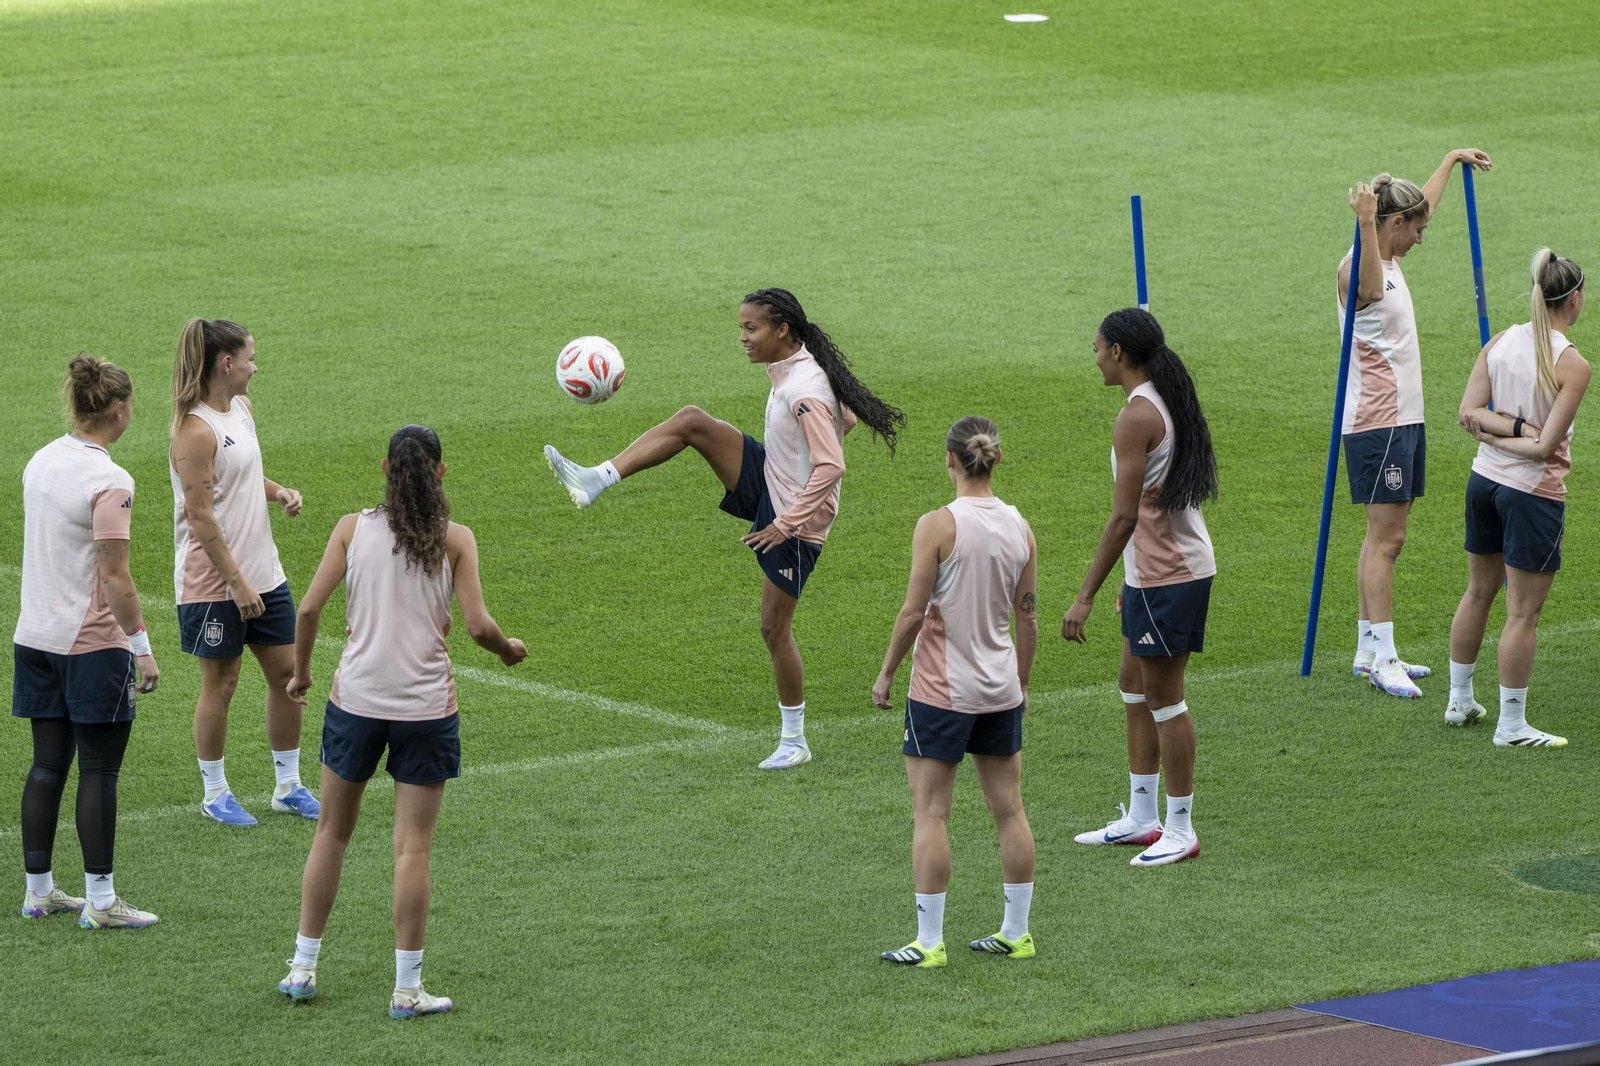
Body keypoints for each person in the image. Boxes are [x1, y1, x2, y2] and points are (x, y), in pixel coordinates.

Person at [544, 288, 904, 770]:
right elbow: (850, 420)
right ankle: (598, 478)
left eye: (750, 328)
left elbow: (831, 465)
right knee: (694, 421)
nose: (742, 338)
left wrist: (785, 521)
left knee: (774, 629)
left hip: (795, 520)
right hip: (773, 475)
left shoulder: (803, 390)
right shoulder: (798, 370)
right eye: (741, 327)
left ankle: (795, 741)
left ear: (782, 330)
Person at [279, 425, 527, 1018]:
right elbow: (477, 626)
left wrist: (301, 676)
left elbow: (309, 607)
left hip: (355, 701)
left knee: (330, 836)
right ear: (440, 473)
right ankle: (406, 990)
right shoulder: (456, 539)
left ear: (385, 468)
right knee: (412, 849)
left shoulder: (350, 527)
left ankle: (302, 967)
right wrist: (507, 649)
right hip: (424, 709)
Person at [871, 417, 1038, 968]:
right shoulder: (1020, 526)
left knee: (932, 814)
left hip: (942, 692)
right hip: (1000, 688)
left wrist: (887, 672)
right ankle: (1017, 932)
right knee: (1009, 811)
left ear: (949, 459)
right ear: (997, 458)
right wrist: (1022, 685)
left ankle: (929, 942)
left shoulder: (937, 526)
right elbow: (1028, 619)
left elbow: (913, 612)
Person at [1064, 309, 1217, 867]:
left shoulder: (1136, 416)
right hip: (1151, 572)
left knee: (1166, 699)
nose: (1096, 356)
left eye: (1099, 347)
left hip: (1168, 575)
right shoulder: (1161, 399)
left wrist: (1084, 596)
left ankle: (1181, 828)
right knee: (1134, 686)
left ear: (1120, 353)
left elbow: (1123, 517)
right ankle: (1143, 816)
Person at [1339, 150, 1493, 698]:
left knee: (1380, 537)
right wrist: (1363, 220)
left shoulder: (1391, 256)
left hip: (1402, 419)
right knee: (1389, 540)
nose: (1423, 237)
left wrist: (1449, 161)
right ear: (1392, 223)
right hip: (1378, 424)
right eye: (1416, 228)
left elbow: (1415, 211)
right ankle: (1385, 656)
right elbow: (1372, 289)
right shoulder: (1358, 266)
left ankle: (1366, 648)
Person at [14, 355, 161, 929]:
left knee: (48, 764)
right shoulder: (110, 480)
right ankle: (101, 903)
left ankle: (40, 892)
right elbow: (115, 575)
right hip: (91, 643)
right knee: (99, 768)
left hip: (35, 636)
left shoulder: (41, 460)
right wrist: (141, 645)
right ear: (119, 409)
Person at [169, 318, 317, 825]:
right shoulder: (194, 430)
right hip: (215, 583)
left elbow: (244, 474)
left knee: (288, 675)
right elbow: (200, 514)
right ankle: (214, 794)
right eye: (251, 357)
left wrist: (278, 492)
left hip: (264, 573)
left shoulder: (241, 409)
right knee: (222, 682)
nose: (256, 366)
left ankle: (288, 785)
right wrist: (235, 583)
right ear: (227, 364)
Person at [1449, 250, 1587, 746]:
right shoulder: (1573, 365)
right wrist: (1515, 435)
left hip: (1483, 483)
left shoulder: (1501, 341)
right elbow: (1543, 448)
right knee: (1522, 614)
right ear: (1575, 297)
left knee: (1478, 593)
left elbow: (1470, 413)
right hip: (1532, 496)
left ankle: (1459, 700)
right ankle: (1511, 725)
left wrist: (1491, 436)